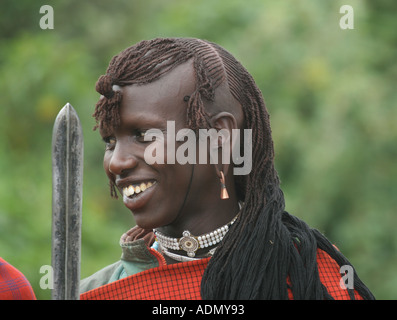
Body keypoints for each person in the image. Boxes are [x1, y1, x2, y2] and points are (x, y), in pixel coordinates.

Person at [79, 37, 375, 300]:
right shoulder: (93, 292)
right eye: (109, 141)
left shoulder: (312, 281)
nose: (117, 161)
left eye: (144, 135)